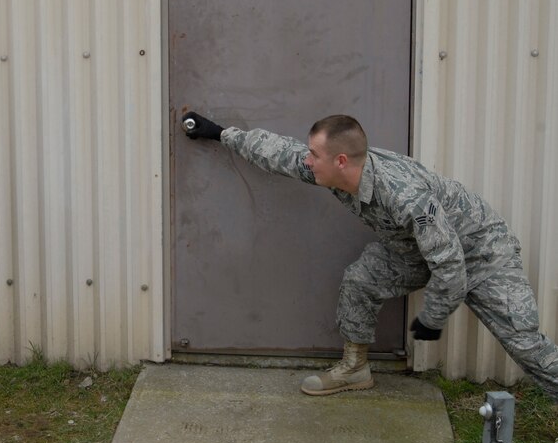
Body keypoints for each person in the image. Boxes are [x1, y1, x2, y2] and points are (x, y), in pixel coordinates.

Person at [181, 110, 558, 399]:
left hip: (481, 254)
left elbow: (450, 261)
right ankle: (355, 369)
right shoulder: (332, 168)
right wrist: (219, 133)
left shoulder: (404, 195)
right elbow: (280, 152)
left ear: (340, 161)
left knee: (524, 341)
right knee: (361, 280)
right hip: (414, 250)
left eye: (314, 154)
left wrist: (434, 316)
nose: (307, 160)